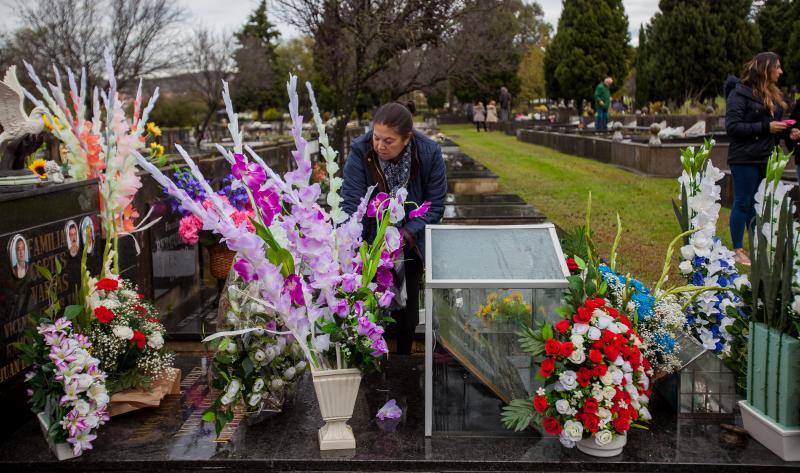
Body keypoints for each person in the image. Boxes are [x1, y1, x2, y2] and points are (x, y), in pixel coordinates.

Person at [341, 101, 447, 355]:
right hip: (369, 241)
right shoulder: (360, 151)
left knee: (406, 313)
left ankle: (403, 359)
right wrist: (357, 242)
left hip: (409, 240)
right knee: (368, 308)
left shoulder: (429, 153)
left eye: (389, 141)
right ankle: (371, 356)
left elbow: (434, 206)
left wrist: (404, 235)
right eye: (376, 138)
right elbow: (352, 202)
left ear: (407, 138)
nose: (380, 146)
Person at [725, 52, 792, 266]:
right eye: (778, 67)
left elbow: (771, 129)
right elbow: (733, 127)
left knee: (758, 204)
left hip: (765, 157)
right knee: (743, 202)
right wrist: (766, 127)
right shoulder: (739, 94)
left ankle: (755, 246)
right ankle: (737, 249)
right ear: (765, 69)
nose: (781, 72)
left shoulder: (772, 95)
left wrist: (787, 133)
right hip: (744, 158)